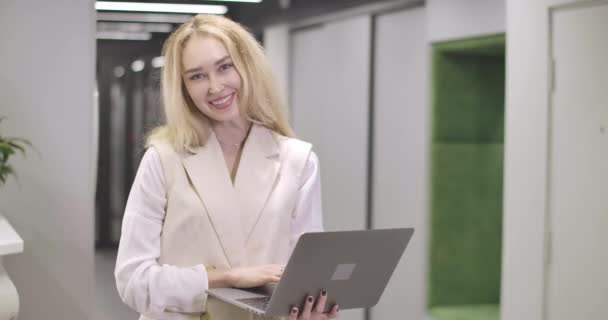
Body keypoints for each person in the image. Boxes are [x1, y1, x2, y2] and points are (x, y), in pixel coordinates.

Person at [114, 14, 340, 320]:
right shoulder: (163, 159)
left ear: (247, 66)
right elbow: (133, 281)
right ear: (183, 88)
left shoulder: (298, 161)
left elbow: (304, 275)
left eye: (224, 67)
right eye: (197, 76)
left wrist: (309, 310)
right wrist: (223, 278)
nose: (215, 87)